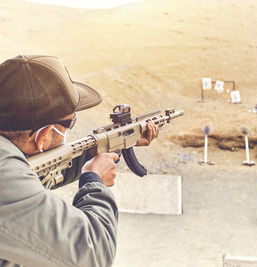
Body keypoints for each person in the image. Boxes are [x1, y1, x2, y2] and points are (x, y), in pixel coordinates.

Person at [0, 55, 159, 267]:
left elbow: (37, 171)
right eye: (70, 122)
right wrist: (94, 181)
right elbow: (93, 253)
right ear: (44, 135)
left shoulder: (10, 155)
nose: (71, 126)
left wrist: (107, 146)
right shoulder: (5, 177)